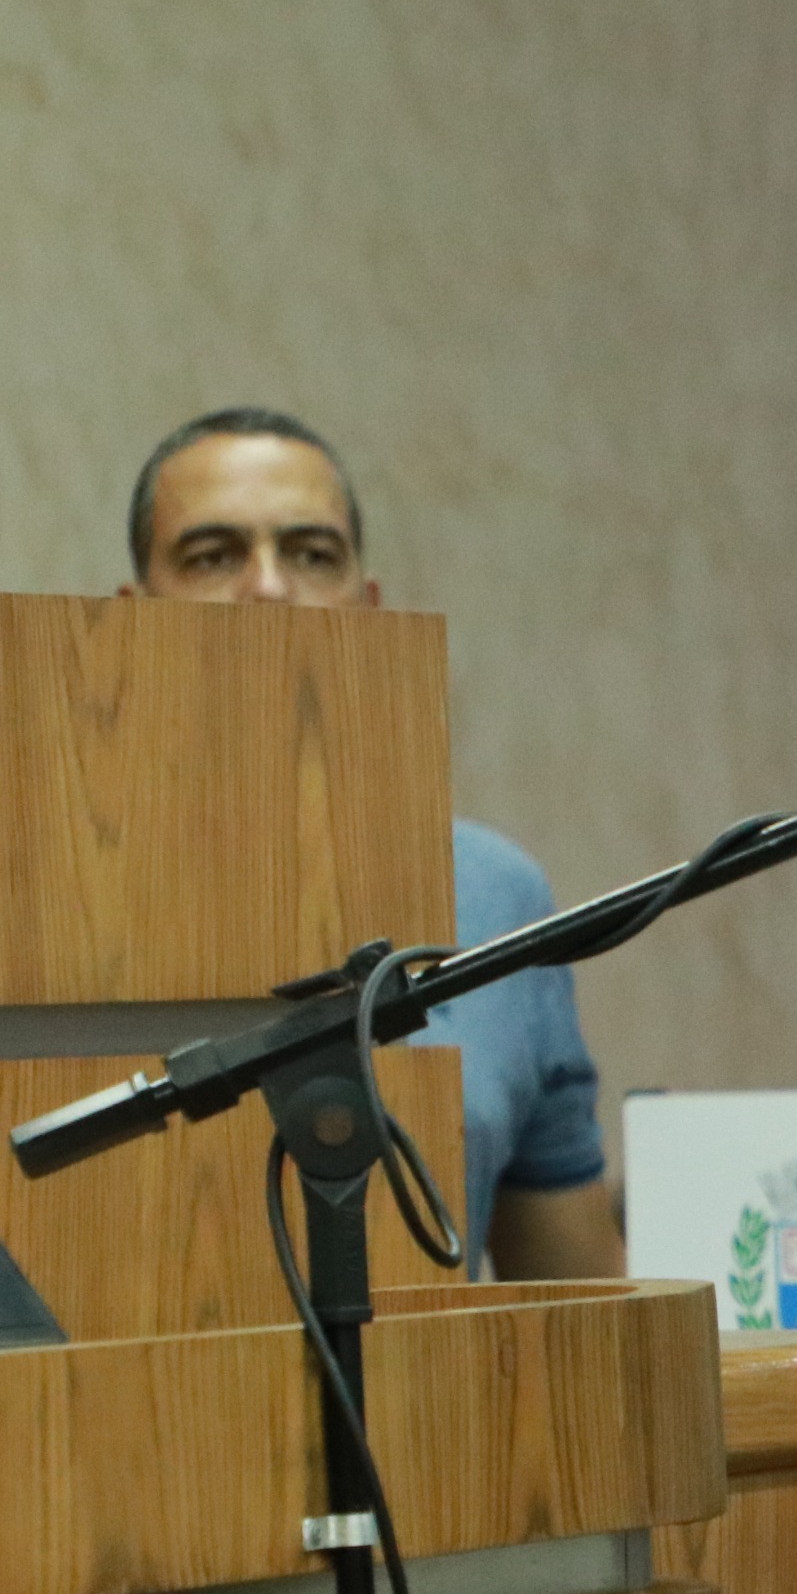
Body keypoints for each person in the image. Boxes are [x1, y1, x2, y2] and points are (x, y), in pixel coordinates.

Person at [122, 408, 622, 1281]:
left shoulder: (496, 894)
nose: (269, 589)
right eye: (212, 555)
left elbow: (579, 1312)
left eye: (313, 554)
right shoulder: (58, 890)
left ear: (371, 609)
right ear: (132, 615)